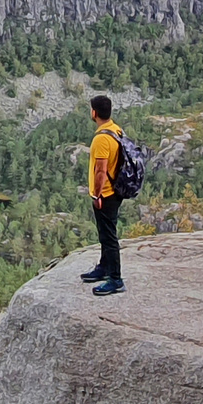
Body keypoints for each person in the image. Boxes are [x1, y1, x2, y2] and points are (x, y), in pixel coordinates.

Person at [81, 94, 125, 295]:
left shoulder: (101, 139)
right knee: (105, 234)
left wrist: (97, 195)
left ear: (94, 112)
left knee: (108, 237)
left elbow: (101, 170)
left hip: (105, 194)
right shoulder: (116, 130)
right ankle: (104, 268)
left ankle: (115, 279)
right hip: (115, 191)